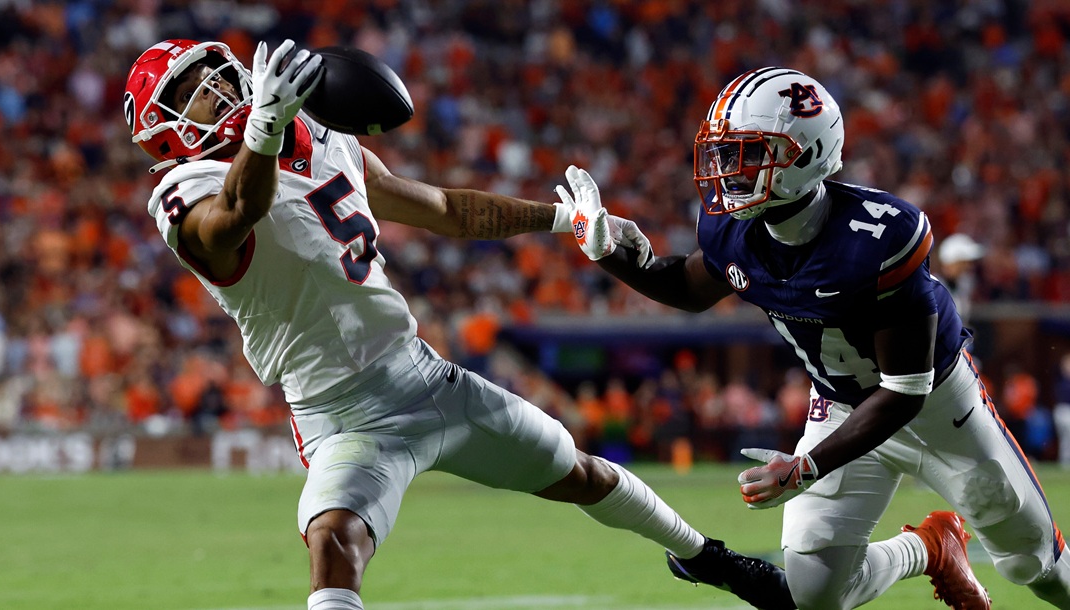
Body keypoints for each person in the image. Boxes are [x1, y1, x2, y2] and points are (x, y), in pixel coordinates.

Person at [124, 39, 794, 610]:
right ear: (165, 128)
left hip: (422, 375)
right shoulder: (184, 191)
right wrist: (264, 132)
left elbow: (444, 208)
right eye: (192, 91)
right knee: (334, 540)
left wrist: (563, 219)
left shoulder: (315, 135)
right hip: (340, 411)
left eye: (215, 74)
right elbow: (233, 216)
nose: (218, 88)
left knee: (583, 474)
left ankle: (709, 559)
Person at [560, 66, 1070, 609]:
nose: (727, 170)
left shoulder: (877, 238)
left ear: (805, 156)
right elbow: (688, 288)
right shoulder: (736, 232)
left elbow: (905, 391)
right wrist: (604, 251)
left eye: (748, 154)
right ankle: (929, 547)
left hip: (938, 409)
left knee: (1037, 568)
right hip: (840, 405)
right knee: (815, 594)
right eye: (724, 153)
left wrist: (806, 467)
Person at [937, 233, 986, 326]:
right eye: (963, 262)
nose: (968, 266)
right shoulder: (931, 287)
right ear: (952, 262)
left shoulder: (966, 283)